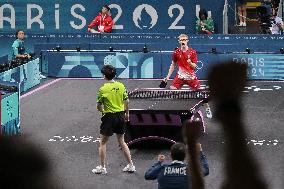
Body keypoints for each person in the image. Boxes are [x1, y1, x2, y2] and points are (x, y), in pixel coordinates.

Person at [92, 65, 135, 174]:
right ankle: (131, 165)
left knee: (102, 142)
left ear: (104, 76)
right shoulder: (121, 85)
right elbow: (126, 101)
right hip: (121, 115)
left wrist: (102, 111)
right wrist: (127, 114)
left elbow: (98, 106)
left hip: (109, 117)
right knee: (122, 141)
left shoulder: (102, 89)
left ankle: (102, 168)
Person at [163, 34, 213, 119]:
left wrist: (190, 63)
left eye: (185, 40)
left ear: (187, 40)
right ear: (179, 41)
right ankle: (174, 111)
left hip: (191, 77)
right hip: (180, 77)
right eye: (181, 40)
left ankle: (208, 109)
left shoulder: (192, 52)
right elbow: (173, 64)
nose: (183, 41)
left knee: (200, 94)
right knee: (172, 91)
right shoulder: (176, 52)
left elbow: (195, 67)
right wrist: (167, 76)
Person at [144, 142, 209, 189]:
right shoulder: (190, 170)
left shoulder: (161, 168)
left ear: (170, 155)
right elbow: (206, 170)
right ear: (185, 156)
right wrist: (200, 152)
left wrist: (159, 163)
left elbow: (147, 175)